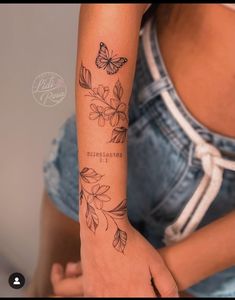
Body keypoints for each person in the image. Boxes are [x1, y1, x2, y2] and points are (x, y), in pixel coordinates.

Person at [28, 4, 235, 297]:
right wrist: (103, 233)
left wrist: (156, 277)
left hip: (223, 237)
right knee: (49, 290)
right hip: (126, 134)